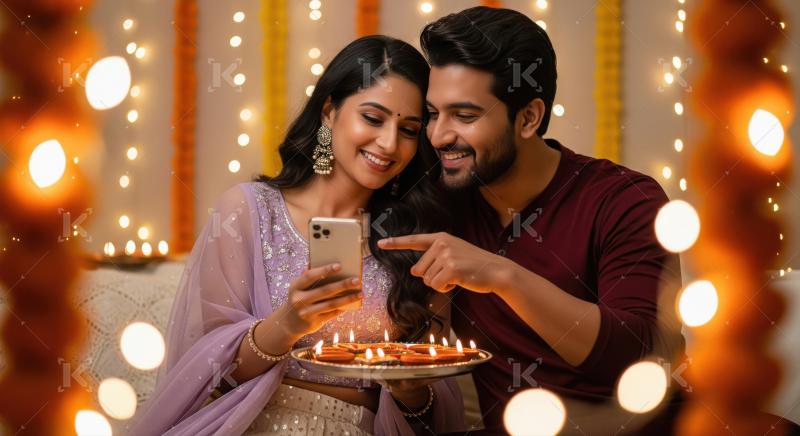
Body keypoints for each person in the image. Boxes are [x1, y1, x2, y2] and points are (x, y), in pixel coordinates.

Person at [128, 35, 464, 436]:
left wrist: (411, 390)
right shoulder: (248, 211)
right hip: (249, 424)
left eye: (408, 129)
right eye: (373, 119)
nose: (389, 143)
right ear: (328, 112)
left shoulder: (417, 240)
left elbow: (434, 415)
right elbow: (213, 375)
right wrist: (287, 323)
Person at [378, 7, 686, 434]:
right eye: (433, 113)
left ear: (528, 117)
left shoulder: (624, 199)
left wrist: (501, 274)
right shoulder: (442, 198)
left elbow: (641, 353)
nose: (439, 135)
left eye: (464, 116)